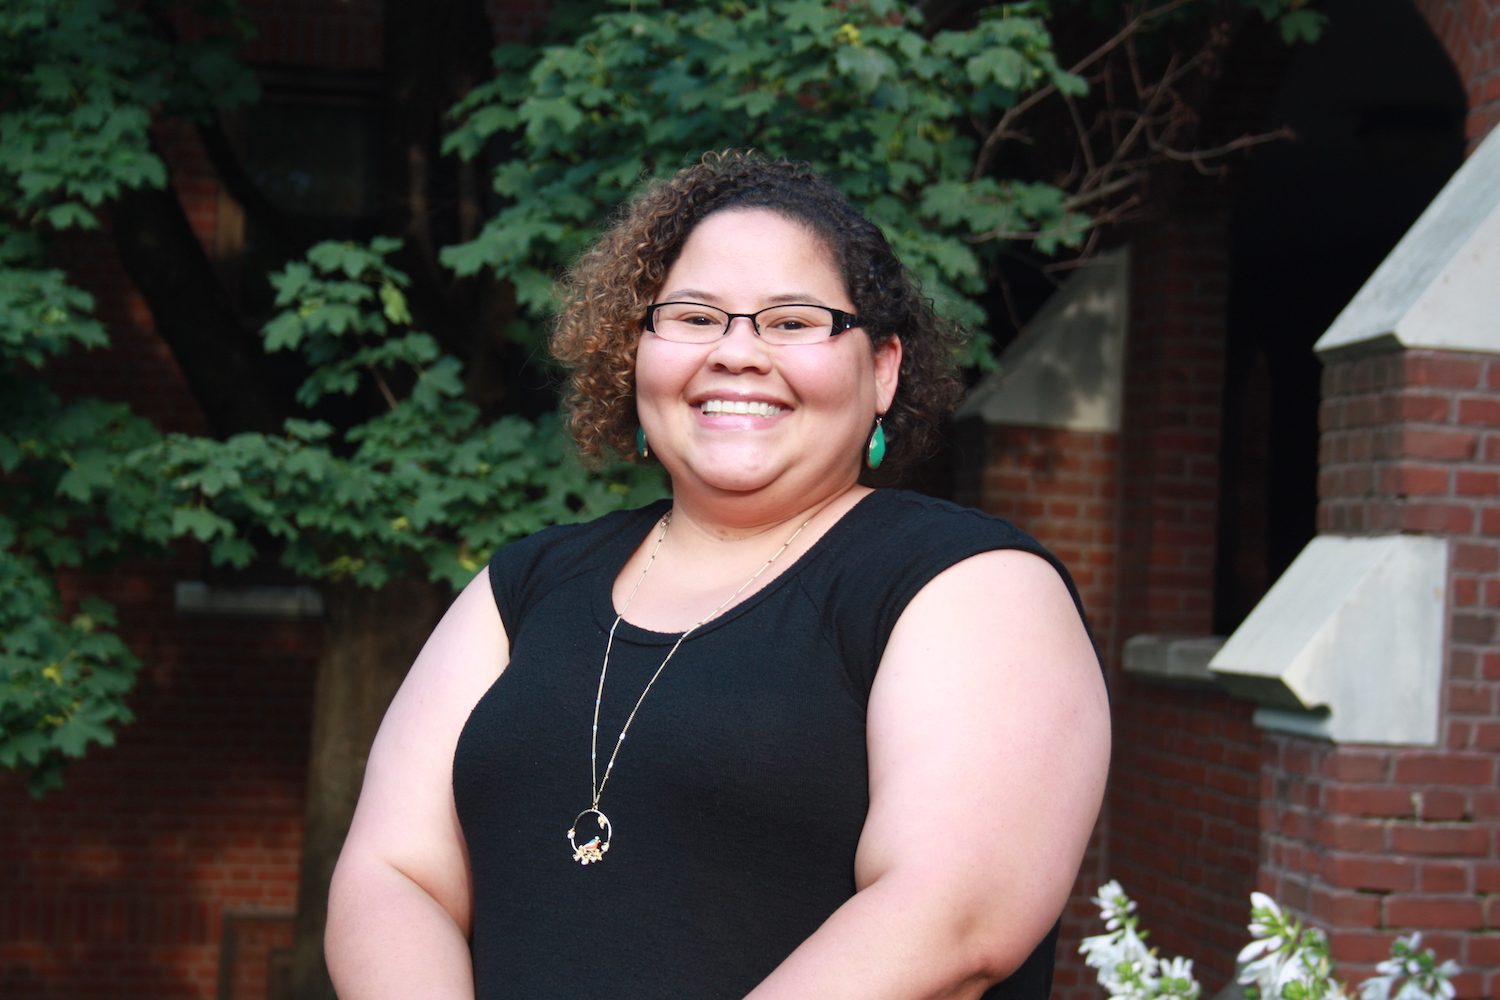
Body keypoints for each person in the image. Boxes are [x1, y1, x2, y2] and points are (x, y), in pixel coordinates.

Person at [325, 152, 1110, 1000]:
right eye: (694, 318)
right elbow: (392, 875)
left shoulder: (969, 585)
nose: (737, 353)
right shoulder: (524, 585)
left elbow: (957, 921)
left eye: (793, 321)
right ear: (637, 354)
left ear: (882, 369)